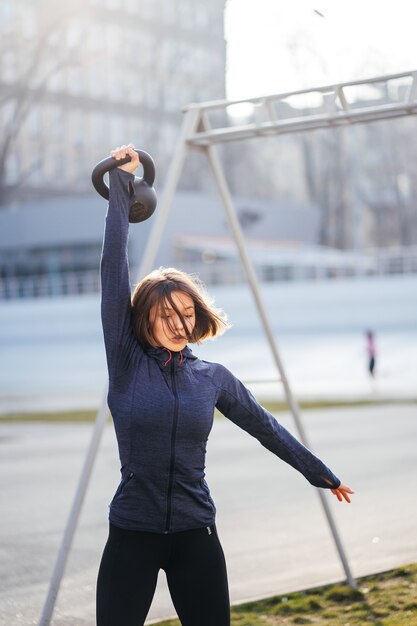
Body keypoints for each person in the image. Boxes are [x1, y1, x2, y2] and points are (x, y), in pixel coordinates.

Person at [96, 144, 354, 626]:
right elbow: (115, 270)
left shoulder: (211, 378)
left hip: (197, 532)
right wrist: (119, 185)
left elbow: (267, 427)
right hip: (132, 530)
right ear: (142, 319)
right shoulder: (125, 363)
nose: (178, 323)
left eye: (187, 315)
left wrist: (321, 473)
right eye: (166, 315)